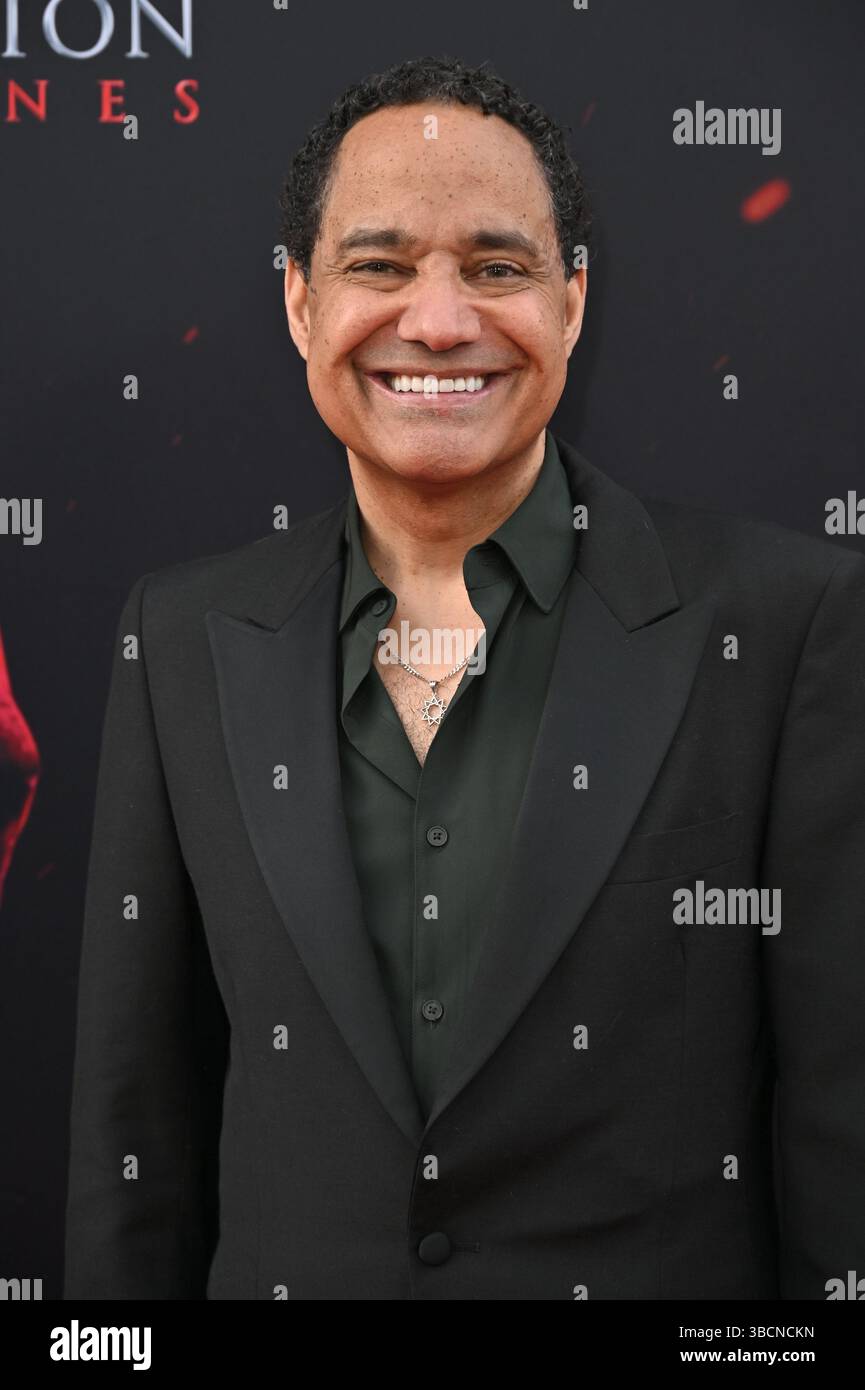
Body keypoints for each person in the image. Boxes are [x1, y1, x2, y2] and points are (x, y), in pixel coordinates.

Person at [64, 55, 865, 1301]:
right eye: (378, 266)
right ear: (296, 303)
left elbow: (839, 1130)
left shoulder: (784, 621)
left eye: (497, 268)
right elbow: (134, 1134)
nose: (438, 323)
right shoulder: (177, 636)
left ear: (574, 303)